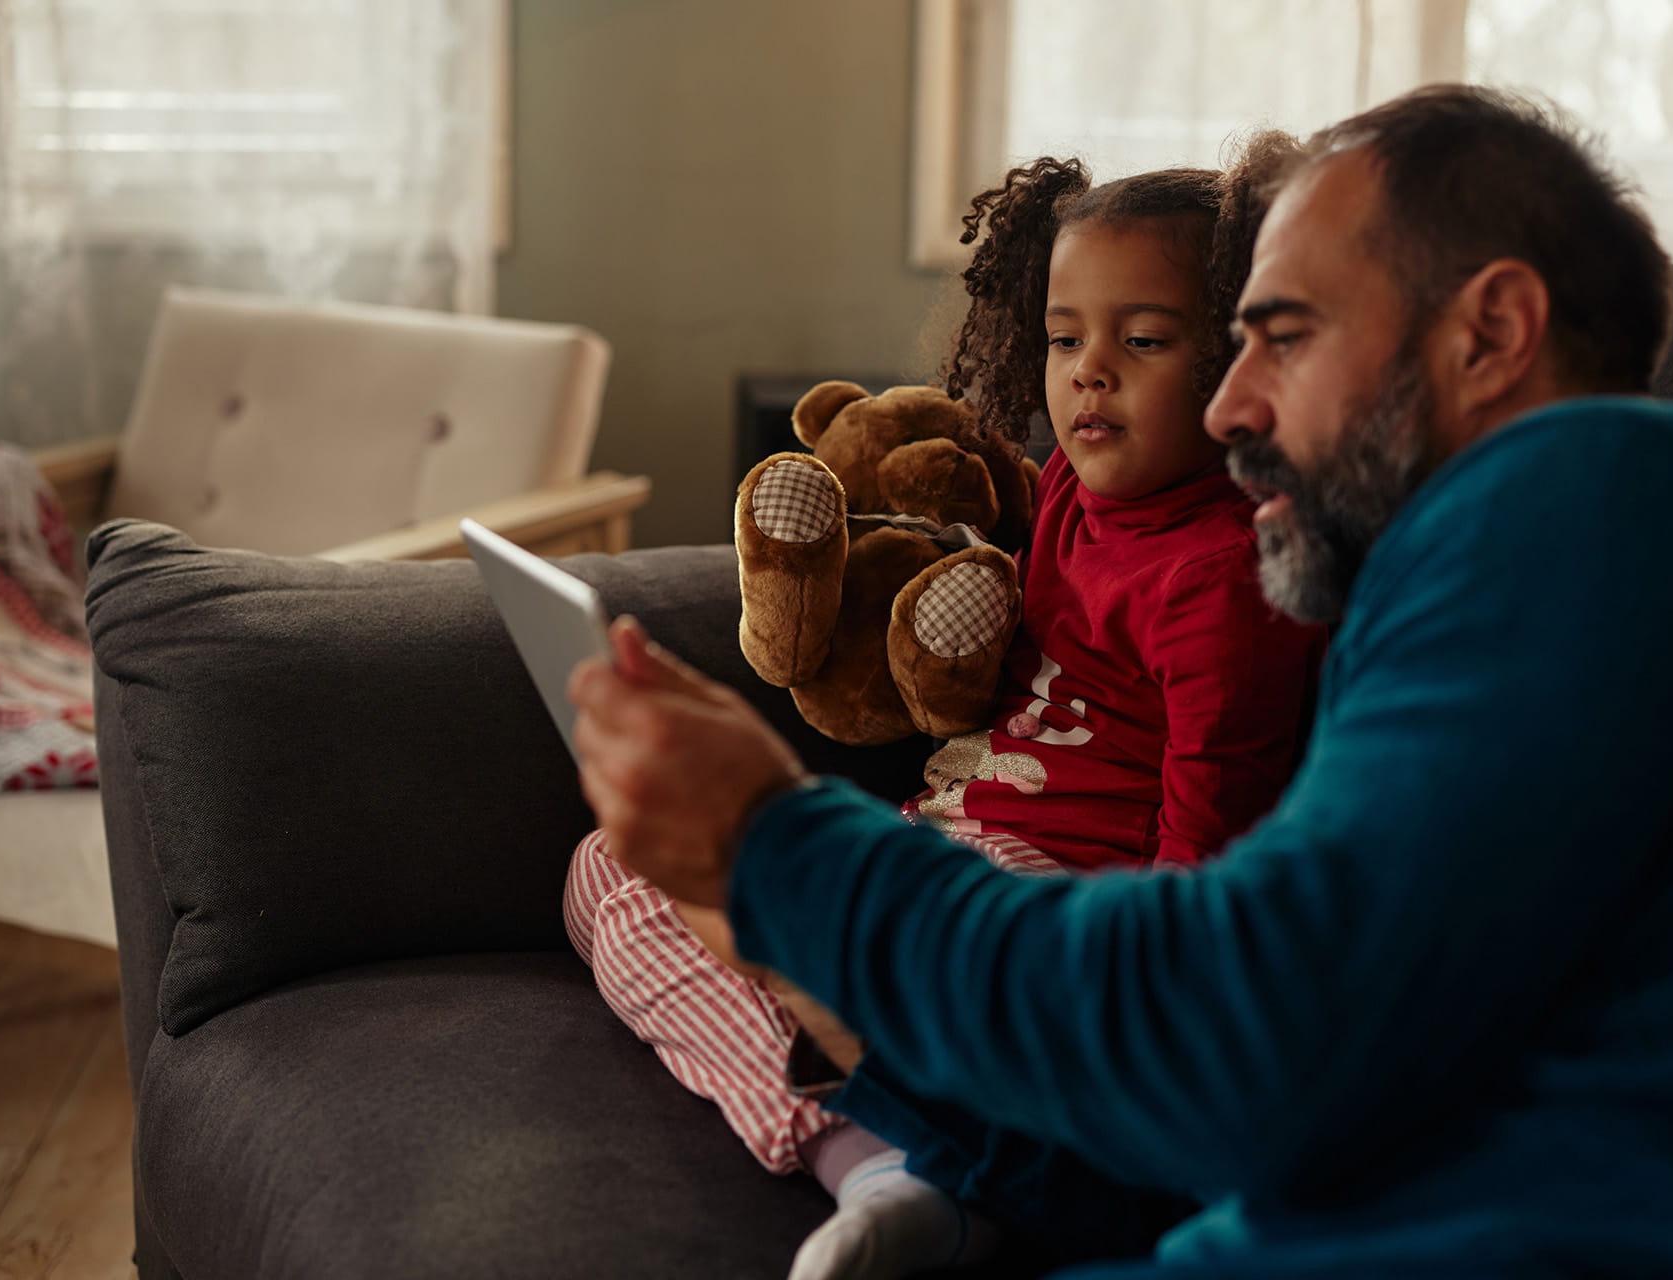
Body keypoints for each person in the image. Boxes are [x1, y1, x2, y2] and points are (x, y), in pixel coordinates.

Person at [568, 84, 1673, 1278]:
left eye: (1283, 335)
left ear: (1492, 331)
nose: (1228, 406)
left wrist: (776, 851)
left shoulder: (1597, 492)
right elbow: (1268, 1083)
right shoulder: (1483, 568)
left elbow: (1243, 1038)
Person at [563, 136, 1328, 1279]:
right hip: (942, 837)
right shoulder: (1068, 484)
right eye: (1066, 338)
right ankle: (872, 1156)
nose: (1089, 374)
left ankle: (913, 1117)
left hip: (1059, 899)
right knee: (608, 867)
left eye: (1146, 340)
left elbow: (1204, 875)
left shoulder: (1225, 578)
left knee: (852, 932)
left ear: (1239, 361)